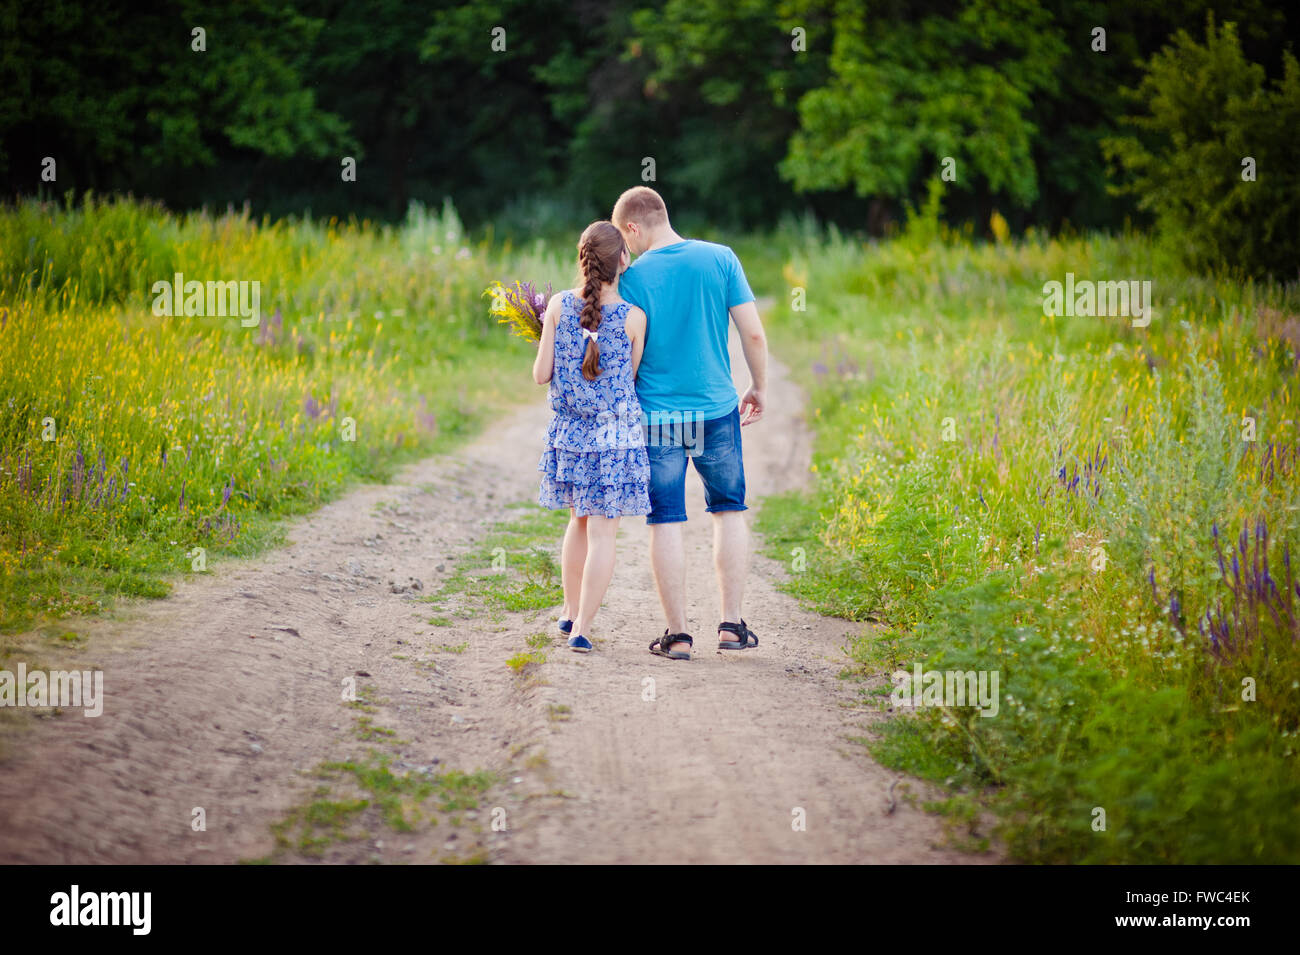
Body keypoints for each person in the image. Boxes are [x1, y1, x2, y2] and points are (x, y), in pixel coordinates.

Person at [611, 186, 768, 662]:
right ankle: (731, 626)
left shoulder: (633, 278)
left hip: (657, 416)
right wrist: (758, 386)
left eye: (624, 236)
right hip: (716, 410)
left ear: (633, 227)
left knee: (665, 519)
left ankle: (678, 636)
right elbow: (753, 332)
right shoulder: (721, 259)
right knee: (728, 509)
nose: (625, 247)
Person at [534, 221, 650, 652]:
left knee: (576, 522)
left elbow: (541, 374)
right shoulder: (636, 318)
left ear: (582, 257)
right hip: (615, 437)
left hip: (570, 437)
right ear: (623, 260)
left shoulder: (559, 307)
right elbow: (630, 380)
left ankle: (567, 611)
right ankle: (582, 626)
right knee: (605, 534)